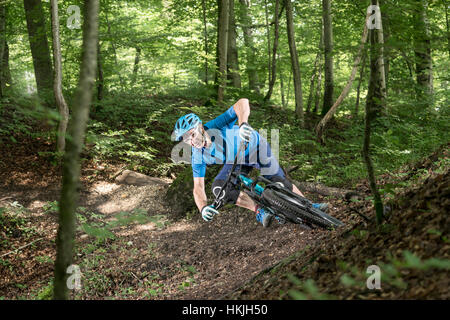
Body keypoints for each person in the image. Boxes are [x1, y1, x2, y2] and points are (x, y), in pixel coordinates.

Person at [172, 98, 329, 227]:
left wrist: (243, 124)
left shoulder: (216, 126)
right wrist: (203, 208)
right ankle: (260, 210)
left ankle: (309, 205)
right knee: (220, 188)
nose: (191, 141)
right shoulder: (197, 156)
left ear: (200, 127)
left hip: (256, 147)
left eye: (192, 135)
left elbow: (242, 102)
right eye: (186, 139)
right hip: (236, 160)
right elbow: (198, 187)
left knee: (280, 183)